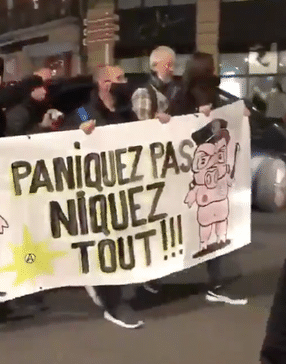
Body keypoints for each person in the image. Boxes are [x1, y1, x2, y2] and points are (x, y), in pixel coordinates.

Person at [59, 65, 144, 329]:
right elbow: (70, 132)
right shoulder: (85, 110)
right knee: (106, 241)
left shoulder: (126, 111)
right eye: (116, 79)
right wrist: (80, 131)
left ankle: (113, 288)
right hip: (97, 188)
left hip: (123, 185)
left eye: (123, 77)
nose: (122, 83)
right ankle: (113, 301)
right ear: (103, 84)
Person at [164, 52, 249, 305]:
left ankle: (216, 282)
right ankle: (154, 277)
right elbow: (163, 122)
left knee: (215, 225)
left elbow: (229, 116)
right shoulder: (173, 92)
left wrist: (239, 113)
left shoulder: (206, 92)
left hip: (209, 172)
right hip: (182, 170)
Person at [131, 46, 181, 122]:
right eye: (168, 65)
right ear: (155, 66)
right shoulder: (143, 92)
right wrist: (156, 118)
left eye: (174, 65)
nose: (172, 69)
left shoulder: (178, 89)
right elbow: (143, 124)